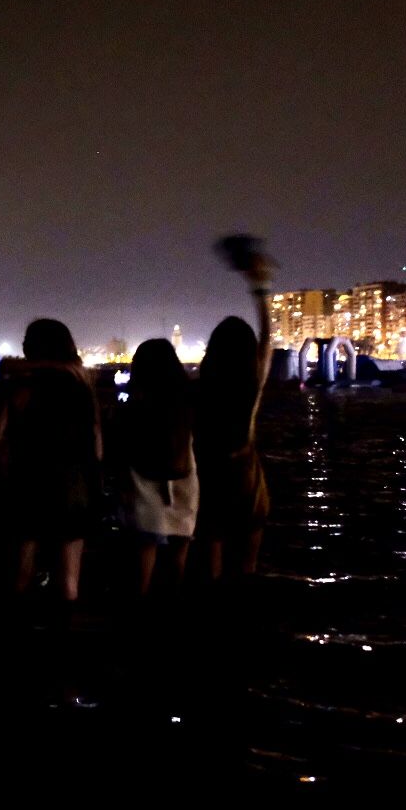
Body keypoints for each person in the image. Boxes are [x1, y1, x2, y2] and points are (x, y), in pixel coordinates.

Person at [0, 319, 101, 604]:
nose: (23, 345)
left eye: (28, 339)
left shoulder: (21, 386)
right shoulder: (82, 385)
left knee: (21, 568)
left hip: (29, 480)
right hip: (73, 483)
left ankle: (16, 632)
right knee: (68, 579)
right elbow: (97, 445)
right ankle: (62, 635)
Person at [194, 251, 274, 581]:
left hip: (211, 473)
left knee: (211, 557)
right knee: (247, 568)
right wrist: (260, 288)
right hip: (247, 476)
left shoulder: (201, 389)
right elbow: (268, 339)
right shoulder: (251, 386)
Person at [119, 338, 197, 595]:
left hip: (144, 480)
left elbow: (124, 444)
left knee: (144, 555)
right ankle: (174, 613)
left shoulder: (136, 403)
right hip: (183, 481)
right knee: (179, 558)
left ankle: (139, 616)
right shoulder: (187, 399)